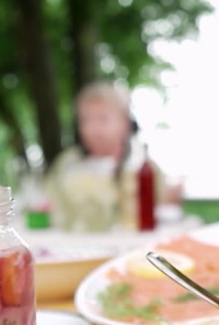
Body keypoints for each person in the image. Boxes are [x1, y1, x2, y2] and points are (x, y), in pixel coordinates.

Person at [45, 81, 173, 232]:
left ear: (125, 122)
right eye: (85, 120)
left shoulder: (142, 166)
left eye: (102, 119)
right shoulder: (67, 163)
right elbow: (46, 206)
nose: (93, 129)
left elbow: (163, 208)